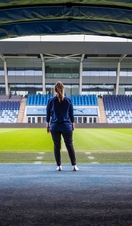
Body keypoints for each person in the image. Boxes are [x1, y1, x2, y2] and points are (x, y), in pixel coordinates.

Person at [46, 81, 79, 171]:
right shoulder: (68, 100)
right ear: (63, 89)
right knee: (69, 145)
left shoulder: (51, 101)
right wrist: (73, 125)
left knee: (57, 146)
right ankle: (74, 165)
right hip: (66, 126)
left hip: (55, 126)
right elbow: (71, 114)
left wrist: (47, 126)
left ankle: (59, 166)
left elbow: (48, 115)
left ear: (55, 90)